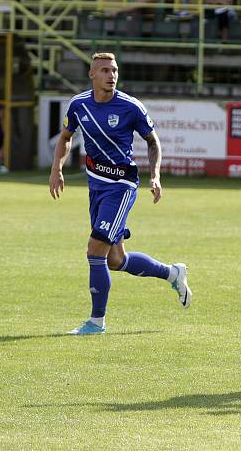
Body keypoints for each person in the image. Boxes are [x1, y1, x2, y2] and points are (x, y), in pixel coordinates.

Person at [49, 53, 192, 335]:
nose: (111, 75)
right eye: (104, 70)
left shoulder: (130, 107)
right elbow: (66, 137)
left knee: (94, 249)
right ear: (92, 75)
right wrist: (57, 169)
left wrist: (155, 175)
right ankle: (172, 273)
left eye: (114, 70)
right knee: (115, 260)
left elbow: (152, 141)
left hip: (121, 186)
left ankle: (96, 322)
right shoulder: (79, 105)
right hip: (96, 185)